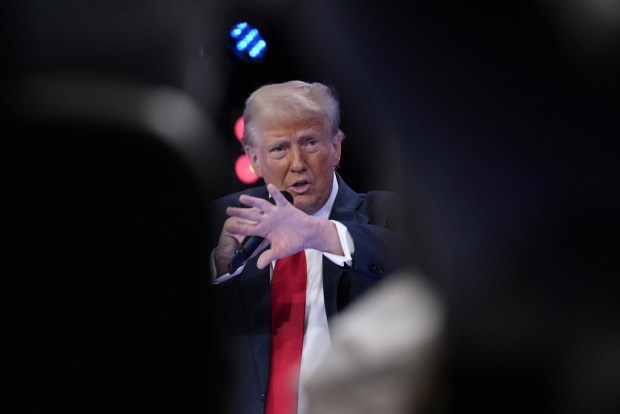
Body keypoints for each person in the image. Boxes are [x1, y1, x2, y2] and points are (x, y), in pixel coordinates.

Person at [208, 80, 408, 414]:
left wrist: (322, 234)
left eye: (310, 142)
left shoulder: (388, 215)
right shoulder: (221, 222)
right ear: (253, 159)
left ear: (336, 149)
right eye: (279, 149)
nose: (297, 163)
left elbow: (423, 273)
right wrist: (220, 266)